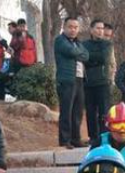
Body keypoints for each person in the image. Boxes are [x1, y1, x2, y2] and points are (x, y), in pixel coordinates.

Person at [54, 17, 89, 149]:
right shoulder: (60, 41)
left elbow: (87, 56)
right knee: (66, 111)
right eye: (70, 27)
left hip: (80, 79)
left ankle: (75, 139)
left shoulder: (78, 43)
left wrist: (79, 53)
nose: (73, 29)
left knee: (78, 111)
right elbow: (71, 52)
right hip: (67, 80)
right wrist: (79, 53)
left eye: (75, 27)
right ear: (64, 27)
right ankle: (65, 140)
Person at [83, 19, 113, 142]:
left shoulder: (107, 44)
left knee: (104, 112)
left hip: (103, 81)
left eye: (102, 28)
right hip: (88, 82)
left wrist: (90, 57)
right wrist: (92, 58)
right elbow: (83, 57)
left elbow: (104, 58)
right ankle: (92, 137)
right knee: (90, 112)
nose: (100, 31)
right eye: (97, 28)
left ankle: (104, 136)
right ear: (91, 30)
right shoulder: (84, 44)